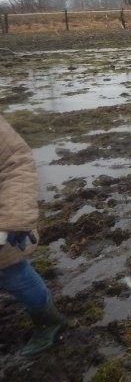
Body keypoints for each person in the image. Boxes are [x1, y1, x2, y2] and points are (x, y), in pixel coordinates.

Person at [0, 114, 67, 357]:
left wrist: (14, 219)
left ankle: (49, 320)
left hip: (4, 227)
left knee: (12, 274)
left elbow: (16, 162)